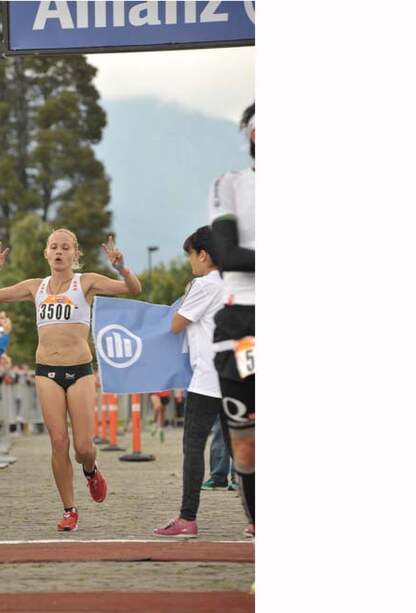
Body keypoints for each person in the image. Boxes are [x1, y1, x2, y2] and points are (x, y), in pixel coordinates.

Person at [0, 230, 142, 531]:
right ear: (46, 253)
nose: (59, 252)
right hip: (47, 371)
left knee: (82, 447)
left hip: (80, 370)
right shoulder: (35, 286)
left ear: (74, 254)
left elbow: (133, 289)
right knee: (58, 442)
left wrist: (121, 267)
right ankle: (69, 509)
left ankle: (91, 470)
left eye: (65, 248)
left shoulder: (87, 282)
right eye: (53, 247)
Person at [153, 226, 226, 538]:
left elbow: (176, 323)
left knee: (193, 446)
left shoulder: (205, 283)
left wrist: (187, 292)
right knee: (244, 449)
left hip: (208, 378)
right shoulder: (237, 282)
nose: (190, 263)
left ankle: (187, 517)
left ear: (203, 255)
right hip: (238, 376)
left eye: (191, 256)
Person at [210, 102, 255, 539]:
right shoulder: (231, 185)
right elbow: (228, 255)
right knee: (245, 435)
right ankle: (257, 519)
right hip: (246, 325)